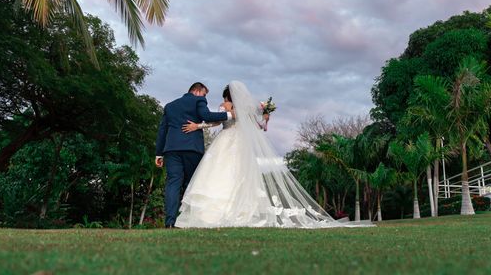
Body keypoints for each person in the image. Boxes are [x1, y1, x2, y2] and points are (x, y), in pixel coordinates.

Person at [174, 81, 368, 228]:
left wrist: (197, 126)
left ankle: (212, 215)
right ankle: (240, 212)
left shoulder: (224, 107)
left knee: (219, 175)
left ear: (226, 96)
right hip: (241, 145)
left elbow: (214, 123)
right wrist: (266, 116)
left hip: (225, 142)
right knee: (239, 176)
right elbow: (259, 126)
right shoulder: (249, 109)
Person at [155, 82, 234, 228]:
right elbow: (207, 116)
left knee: (173, 183)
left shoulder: (170, 106)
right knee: (193, 184)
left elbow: (162, 130)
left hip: (171, 149)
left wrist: (158, 154)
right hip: (192, 148)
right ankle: (189, 220)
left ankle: (170, 222)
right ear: (197, 91)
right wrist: (230, 114)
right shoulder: (199, 100)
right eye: (204, 94)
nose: (205, 98)